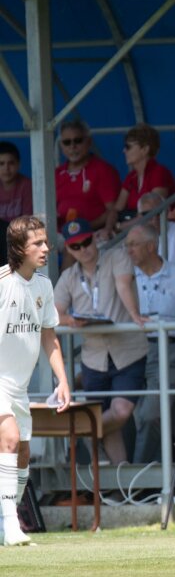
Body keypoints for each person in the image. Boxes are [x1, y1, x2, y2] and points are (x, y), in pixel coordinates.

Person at [0, 216, 71, 546]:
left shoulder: (43, 285)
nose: (46, 248)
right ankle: (12, 526)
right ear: (18, 249)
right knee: (10, 440)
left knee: (24, 455)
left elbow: (49, 338)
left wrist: (62, 379)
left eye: (46, 242)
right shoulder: (1, 282)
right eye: (37, 244)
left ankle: (6, 519)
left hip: (20, 386)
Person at [53, 219, 148, 465]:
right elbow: (53, 315)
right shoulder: (68, 276)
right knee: (110, 423)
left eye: (86, 242)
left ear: (94, 238)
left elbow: (123, 284)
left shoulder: (116, 256)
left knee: (120, 412)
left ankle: (79, 431)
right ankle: (120, 483)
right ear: (69, 250)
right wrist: (71, 320)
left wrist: (135, 314)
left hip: (128, 351)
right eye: (75, 246)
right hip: (93, 356)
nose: (83, 249)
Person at [124, 223, 175, 463]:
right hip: (130, 349)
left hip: (168, 350)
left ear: (151, 246)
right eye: (126, 245)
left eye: (133, 244)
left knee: (152, 414)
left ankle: (139, 481)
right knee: (129, 413)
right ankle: (137, 478)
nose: (128, 250)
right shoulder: (125, 276)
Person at [54, 119, 122, 230]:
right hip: (60, 235)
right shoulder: (57, 174)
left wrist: (83, 228)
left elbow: (113, 210)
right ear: (61, 146)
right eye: (67, 142)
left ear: (89, 142)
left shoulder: (103, 170)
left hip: (94, 234)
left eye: (78, 140)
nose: (72, 146)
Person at [115, 123, 175, 216]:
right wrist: (109, 228)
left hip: (156, 228)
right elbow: (116, 209)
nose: (124, 150)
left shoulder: (159, 172)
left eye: (128, 147)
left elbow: (151, 214)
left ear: (144, 150)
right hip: (136, 228)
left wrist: (119, 226)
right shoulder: (131, 176)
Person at [137, 192, 175, 269]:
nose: (155, 219)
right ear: (139, 216)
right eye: (148, 214)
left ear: (167, 212)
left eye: (159, 213)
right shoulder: (134, 238)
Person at [0, 142, 33, 224]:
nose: (6, 168)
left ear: (18, 165)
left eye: (11, 163)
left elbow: (27, 221)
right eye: (1, 164)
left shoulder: (27, 185)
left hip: (19, 233)